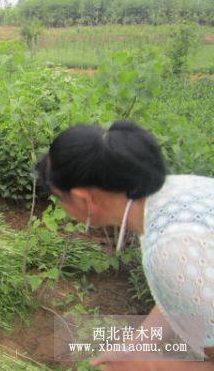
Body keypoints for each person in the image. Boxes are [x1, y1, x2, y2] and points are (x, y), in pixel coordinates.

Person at [37, 120, 214, 370]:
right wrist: (138, 345)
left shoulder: (169, 248)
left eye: (59, 199)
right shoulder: (171, 193)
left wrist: (153, 367)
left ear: (83, 199)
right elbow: (190, 288)